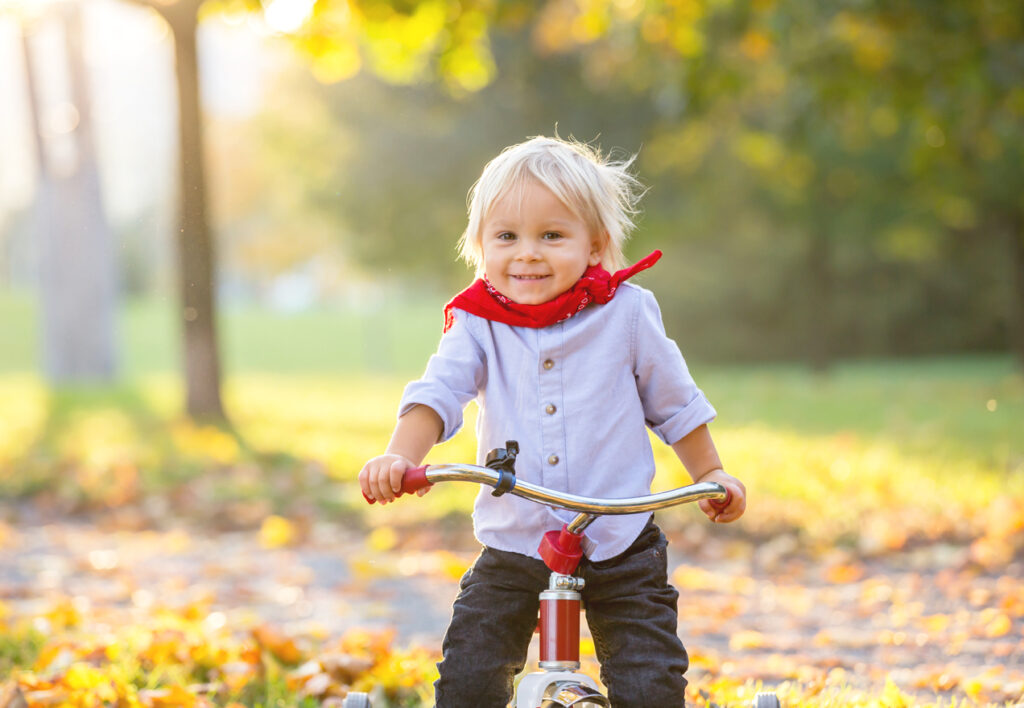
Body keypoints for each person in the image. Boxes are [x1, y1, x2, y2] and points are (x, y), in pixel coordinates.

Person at [359, 135, 746, 707]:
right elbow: (439, 391)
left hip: (620, 540)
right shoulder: (477, 322)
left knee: (650, 683)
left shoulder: (627, 313)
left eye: (552, 235)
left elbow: (675, 401)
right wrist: (400, 456)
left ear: (595, 245)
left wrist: (712, 472)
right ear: (480, 246)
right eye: (507, 236)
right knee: (469, 678)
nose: (528, 253)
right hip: (515, 539)